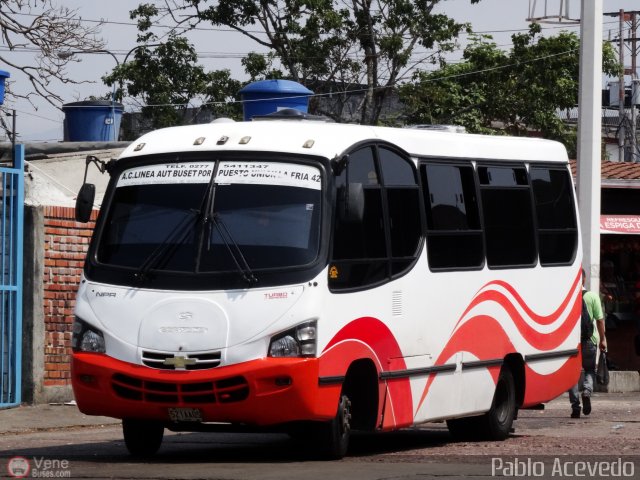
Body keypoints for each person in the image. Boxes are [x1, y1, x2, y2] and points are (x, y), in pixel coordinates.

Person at [569, 268, 607, 418]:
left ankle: (575, 407)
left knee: (572, 375)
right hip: (590, 341)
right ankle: (587, 390)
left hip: (572, 342)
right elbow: (600, 320)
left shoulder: (569, 297)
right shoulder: (592, 296)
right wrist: (603, 339)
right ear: (584, 280)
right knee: (590, 370)